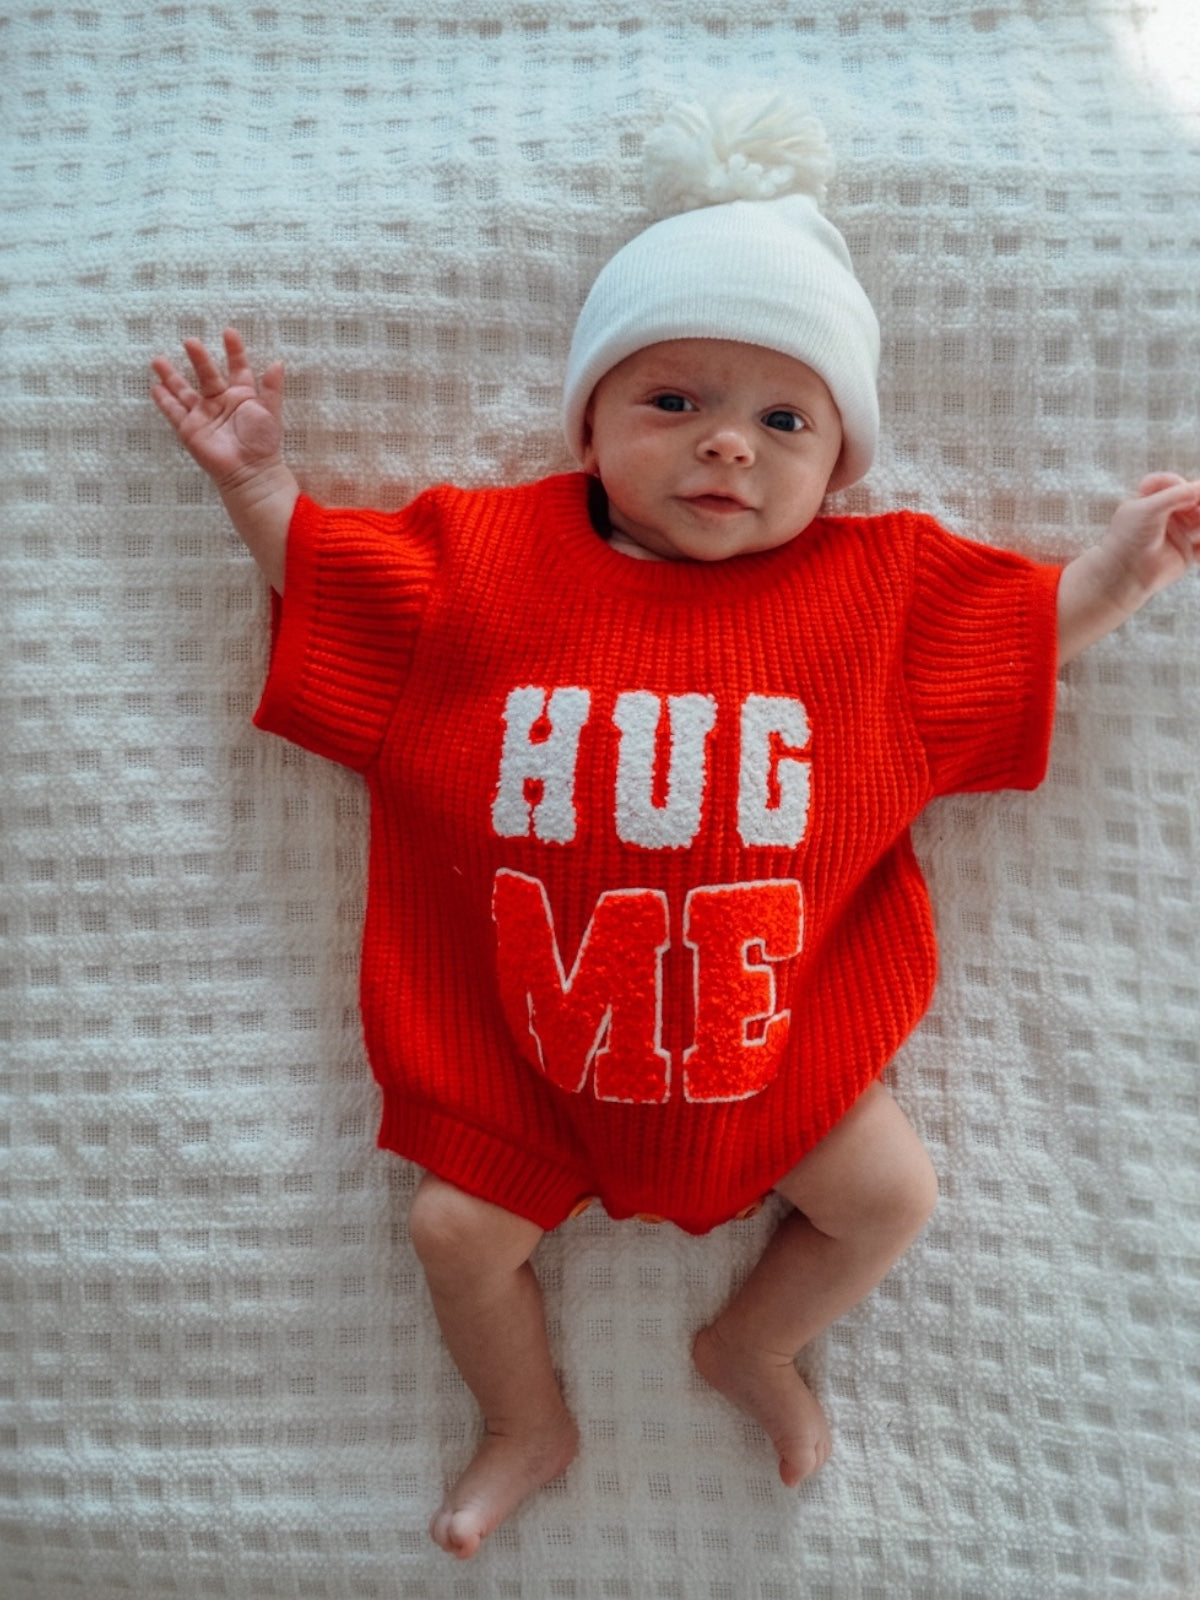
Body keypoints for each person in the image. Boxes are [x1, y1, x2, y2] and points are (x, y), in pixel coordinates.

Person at [150, 93, 1200, 1562]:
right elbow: (345, 598)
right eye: (674, 403)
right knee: (455, 1236)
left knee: (891, 1195)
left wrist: (1117, 575)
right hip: (524, 1055)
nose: (727, 450)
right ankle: (527, 1419)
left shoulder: (875, 601)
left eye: (784, 420)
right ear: (588, 422)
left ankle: (752, 1347)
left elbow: (1010, 645)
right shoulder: (488, 567)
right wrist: (260, 486)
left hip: (771, 1048)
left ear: (840, 464)